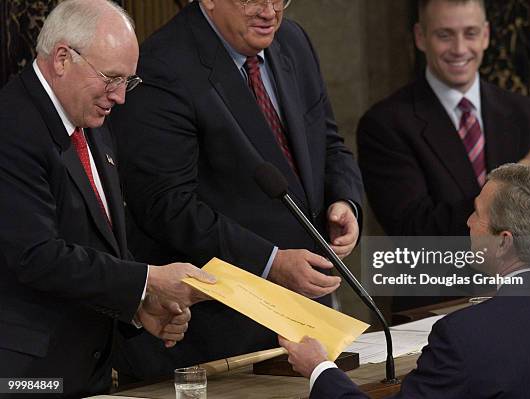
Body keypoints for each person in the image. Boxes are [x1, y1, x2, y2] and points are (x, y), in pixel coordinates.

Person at [109, 0, 363, 379]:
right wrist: (271, 262)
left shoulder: (293, 41)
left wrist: (345, 201)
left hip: (308, 327)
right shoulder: (162, 65)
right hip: (219, 339)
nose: (270, 12)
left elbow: (326, 140)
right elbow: (166, 205)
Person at [0, 1, 215, 397]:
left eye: (128, 82)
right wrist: (148, 282)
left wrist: (136, 307)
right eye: (112, 78)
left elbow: (102, 243)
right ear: (62, 58)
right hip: (27, 377)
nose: (120, 97)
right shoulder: (12, 126)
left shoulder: (91, 119)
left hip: (90, 368)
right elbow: (36, 255)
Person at [280, 163, 530, 399]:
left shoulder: (466, 337)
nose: (468, 222)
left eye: (478, 214)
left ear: (504, 241)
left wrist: (320, 369)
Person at [357, 0, 530, 237]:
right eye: (444, 35)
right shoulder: (384, 124)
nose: (459, 48)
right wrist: (514, 187)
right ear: (420, 37)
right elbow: (413, 230)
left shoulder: (526, 114)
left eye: (471, 33)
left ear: (485, 35)